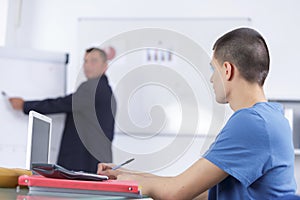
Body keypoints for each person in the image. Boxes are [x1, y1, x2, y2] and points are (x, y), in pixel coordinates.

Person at [97, 28, 297, 199]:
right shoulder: (272, 117)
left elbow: (175, 193)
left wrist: (127, 185)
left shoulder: (249, 123)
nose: (211, 79)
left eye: (213, 69)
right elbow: (202, 189)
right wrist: (129, 174)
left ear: (227, 70)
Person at [9, 47, 116, 173]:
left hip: (84, 163)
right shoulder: (107, 91)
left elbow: (61, 104)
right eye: (85, 61)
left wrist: (25, 105)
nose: (87, 65)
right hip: (94, 161)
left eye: (93, 61)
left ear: (105, 66)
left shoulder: (93, 88)